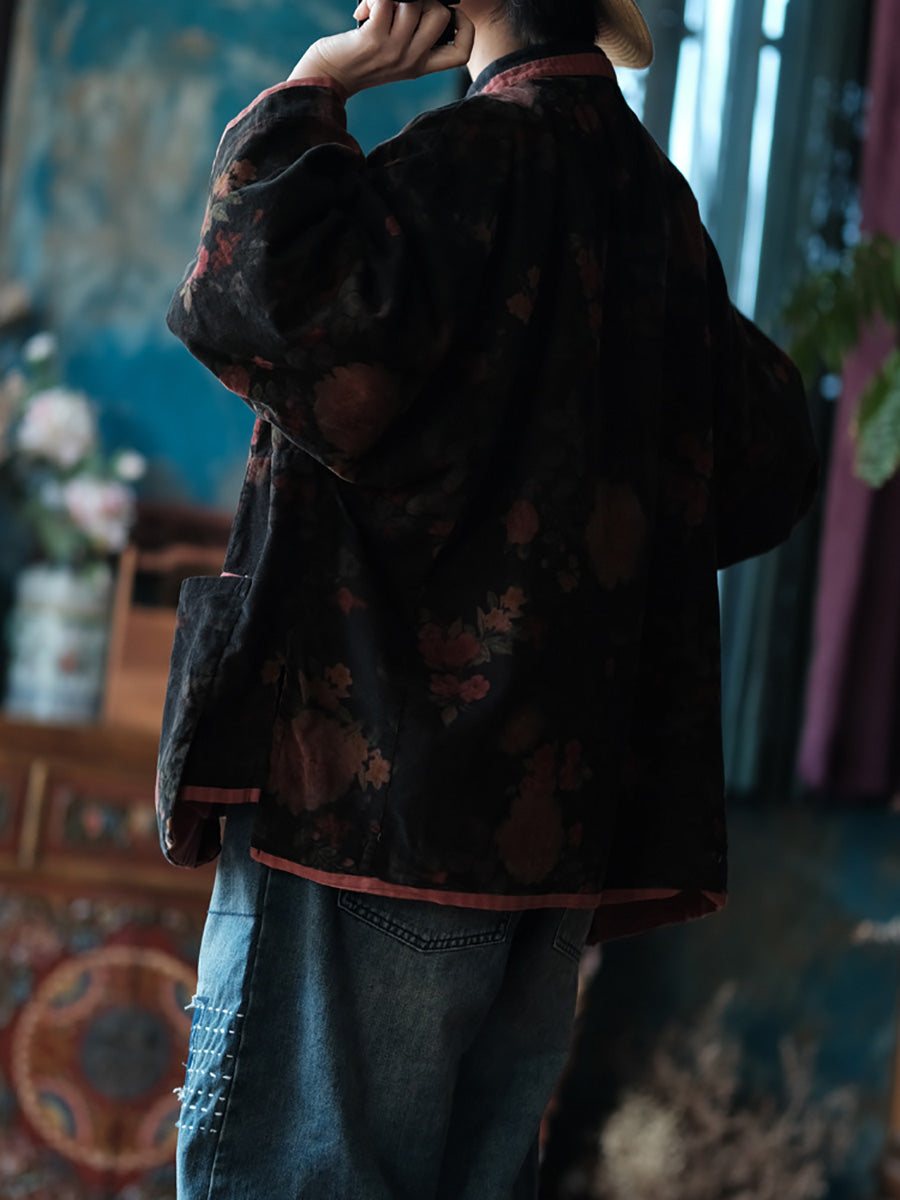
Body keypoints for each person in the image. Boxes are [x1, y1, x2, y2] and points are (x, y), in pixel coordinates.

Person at [158, 1, 819, 1196]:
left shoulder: (456, 167)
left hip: (373, 813)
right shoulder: (655, 204)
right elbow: (767, 461)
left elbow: (244, 296)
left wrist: (312, 88)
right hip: (552, 834)